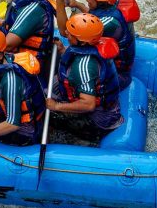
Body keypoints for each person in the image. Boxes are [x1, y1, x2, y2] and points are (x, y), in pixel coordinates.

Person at [46, 13, 124, 142]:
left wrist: (57, 106)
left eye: (70, 34)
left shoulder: (83, 66)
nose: (66, 33)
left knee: (49, 114)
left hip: (99, 121)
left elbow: (88, 104)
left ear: (81, 41)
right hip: (107, 108)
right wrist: (62, 50)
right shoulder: (92, 45)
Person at [51, 0, 135, 90]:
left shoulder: (110, 23)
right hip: (111, 65)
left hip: (116, 76)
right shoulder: (112, 2)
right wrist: (77, 5)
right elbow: (95, 17)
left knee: (55, 88)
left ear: (101, 2)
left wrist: (59, 0)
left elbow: (66, 32)